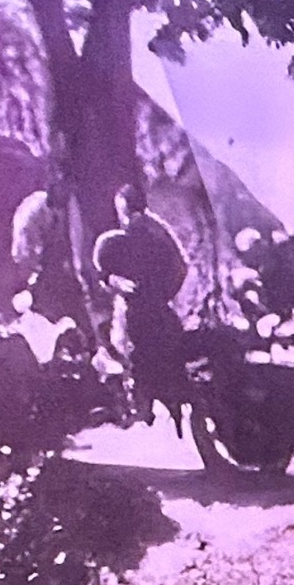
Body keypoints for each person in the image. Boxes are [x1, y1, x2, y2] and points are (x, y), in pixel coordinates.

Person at [92, 182, 189, 425]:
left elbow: (179, 266)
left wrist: (154, 293)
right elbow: (181, 266)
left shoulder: (146, 235)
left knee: (148, 358)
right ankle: (153, 408)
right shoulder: (148, 233)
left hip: (146, 311)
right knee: (149, 359)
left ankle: (152, 409)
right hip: (149, 309)